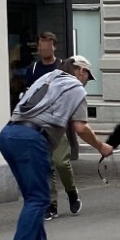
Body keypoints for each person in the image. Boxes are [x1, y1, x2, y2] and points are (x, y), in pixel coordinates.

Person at [0, 56, 115, 240]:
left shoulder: (47, 77)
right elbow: (80, 128)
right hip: (31, 139)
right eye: (87, 76)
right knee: (39, 197)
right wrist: (101, 147)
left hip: (9, 134)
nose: (86, 81)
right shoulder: (76, 89)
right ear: (80, 71)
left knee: (34, 196)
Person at [23, 32, 80, 221]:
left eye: (47, 45)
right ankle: (51, 204)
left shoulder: (62, 67)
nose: (44, 48)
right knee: (46, 165)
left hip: (59, 123)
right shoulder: (32, 70)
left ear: (54, 46)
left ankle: (72, 192)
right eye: (41, 45)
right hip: (39, 124)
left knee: (60, 162)